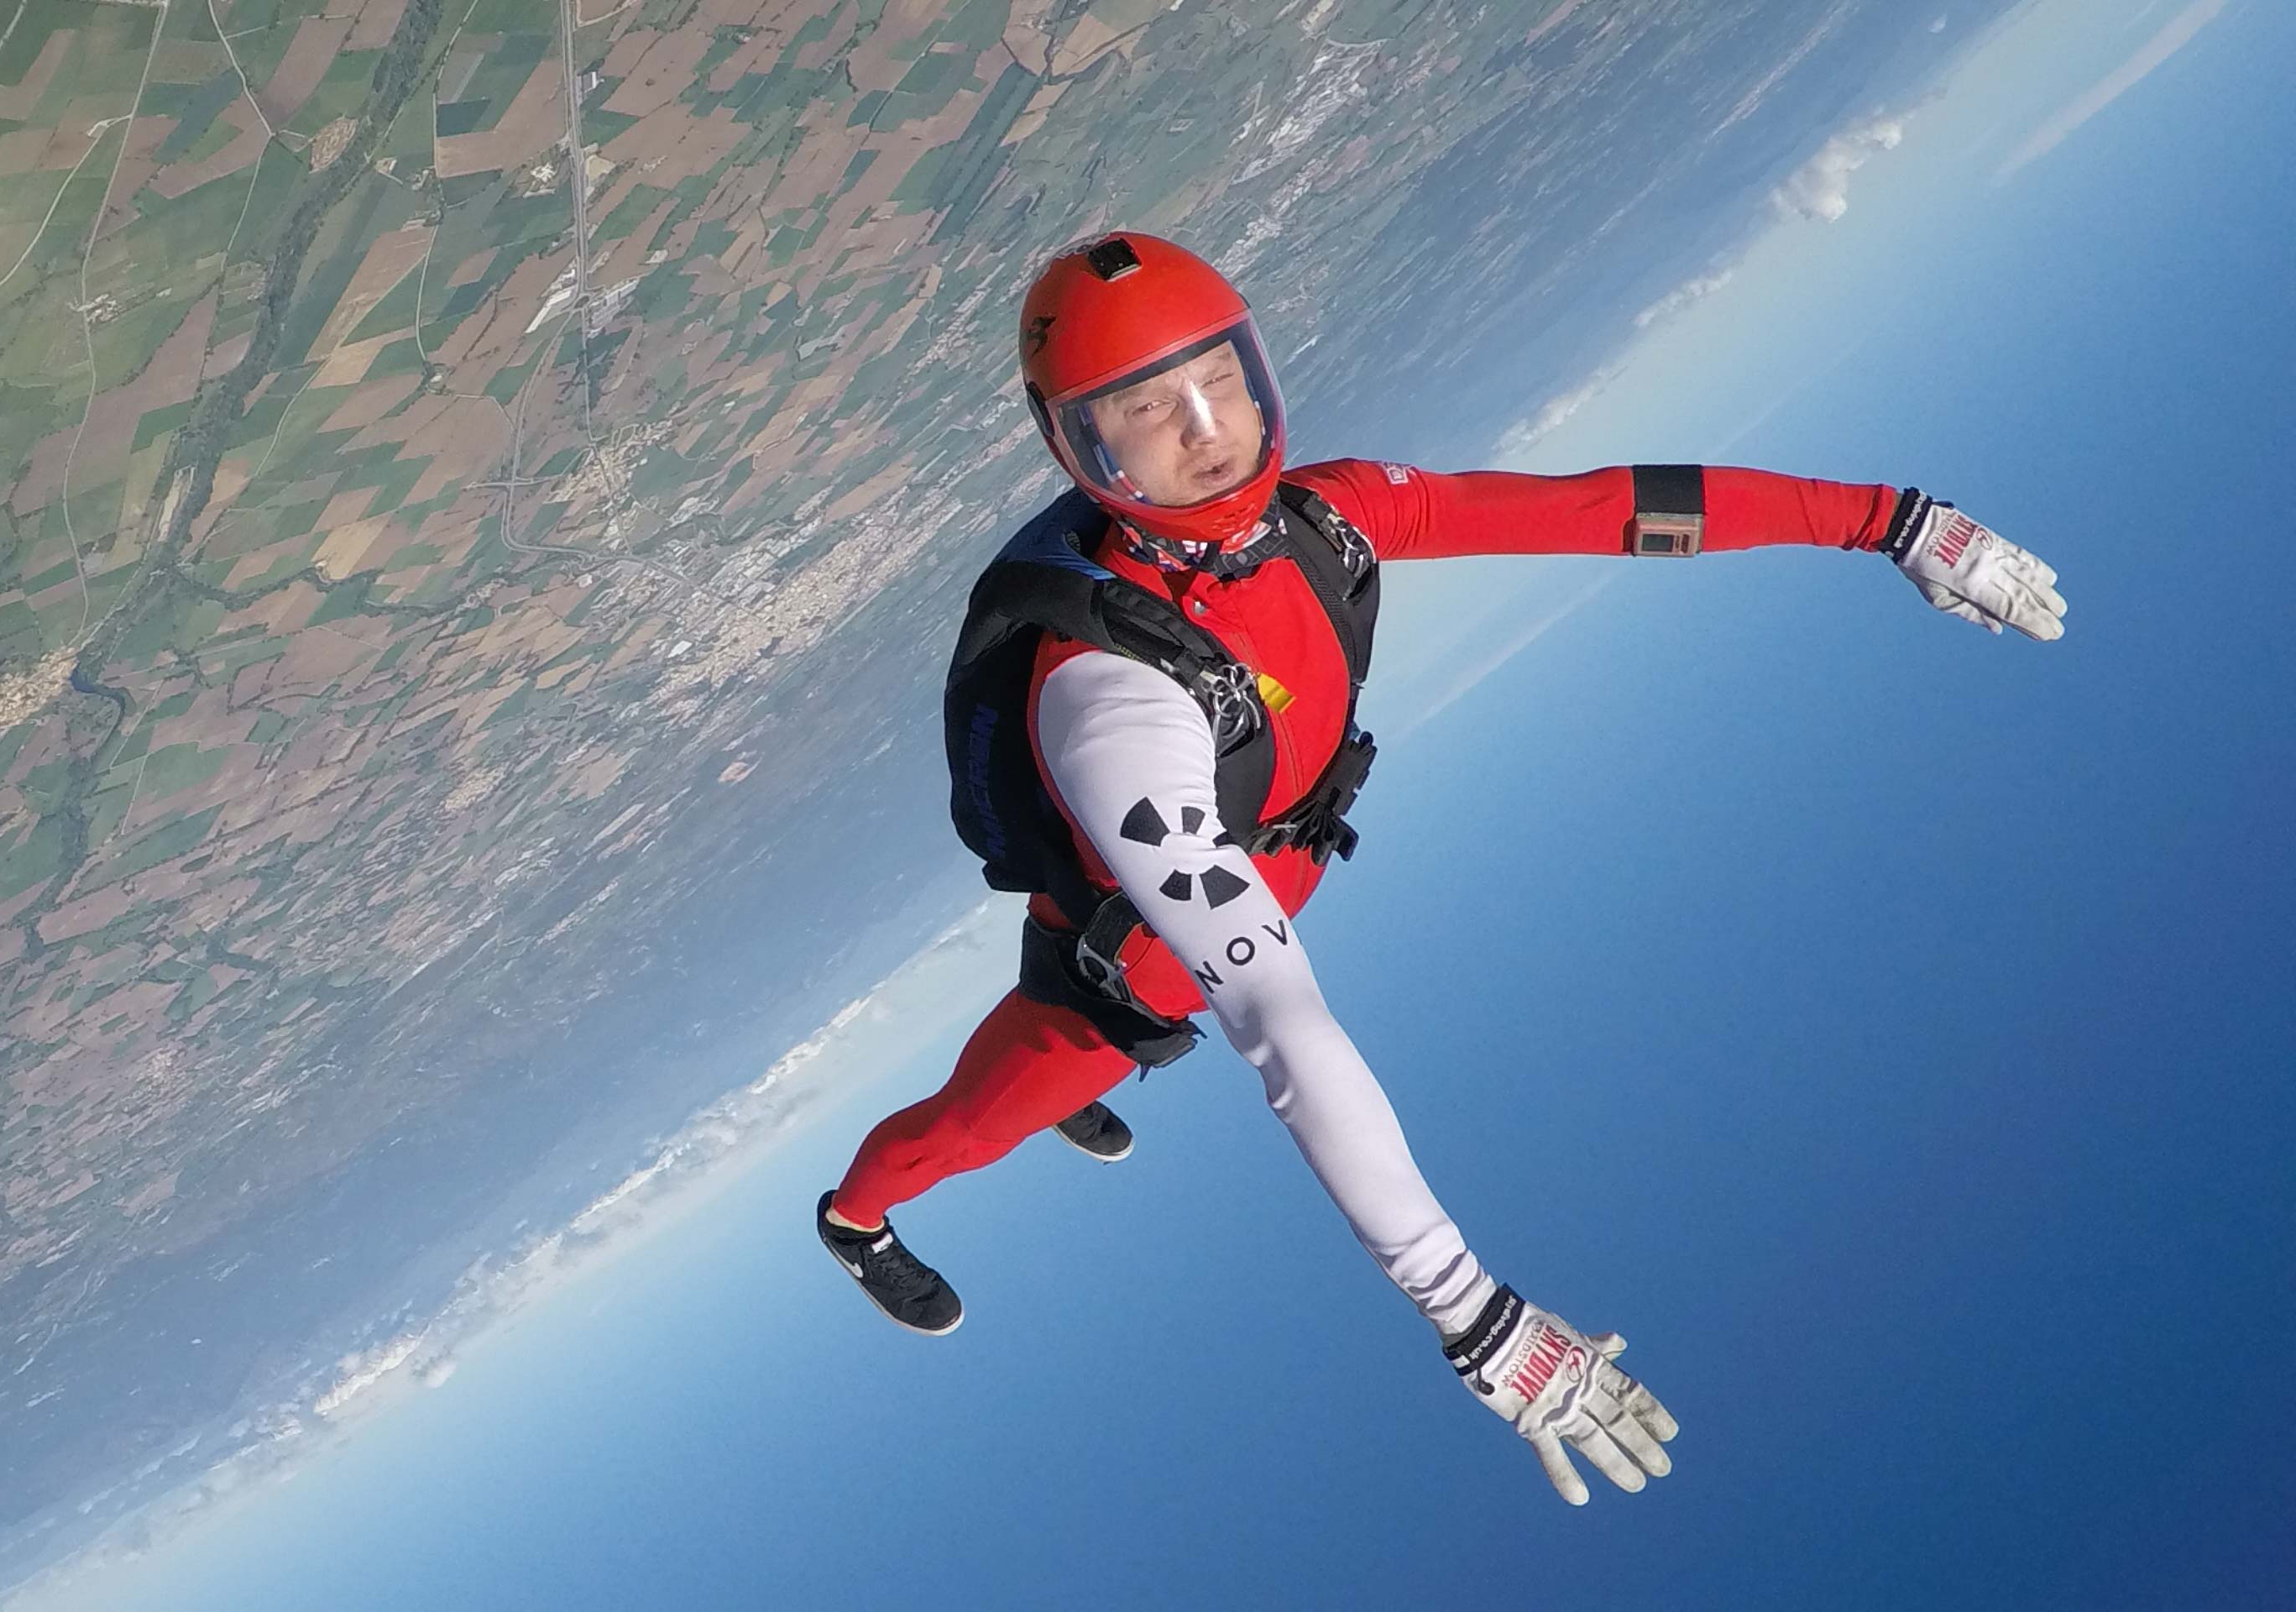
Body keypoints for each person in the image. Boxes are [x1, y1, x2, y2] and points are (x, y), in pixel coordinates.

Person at [811, 232, 2066, 1505]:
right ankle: (854, 1221)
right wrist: (1470, 1312)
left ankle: (1032, 1107)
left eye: (1222, 378)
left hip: (1234, 881)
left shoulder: (1324, 518)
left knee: (1096, 1030)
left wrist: (1888, 522)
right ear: (1084, 453)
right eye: (1146, 411)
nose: (1208, 431)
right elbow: (1282, 1024)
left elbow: (1593, 509)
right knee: (970, 1125)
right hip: (1130, 977)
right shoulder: (1110, 704)